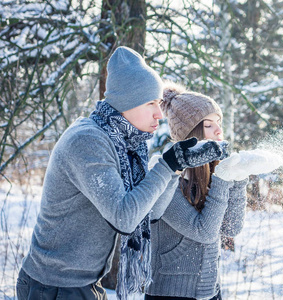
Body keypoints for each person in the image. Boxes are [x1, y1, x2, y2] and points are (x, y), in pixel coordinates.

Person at [16, 46, 228, 300]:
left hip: (84, 283)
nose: (159, 114)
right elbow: (124, 218)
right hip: (52, 286)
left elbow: (150, 212)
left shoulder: (128, 143)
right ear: (127, 102)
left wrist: (175, 167)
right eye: (151, 103)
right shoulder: (87, 141)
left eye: (159, 103)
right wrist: (166, 166)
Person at [145, 82, 283, 300]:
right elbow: (205, 232)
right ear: (190, 134)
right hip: (171, 293)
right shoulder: (165, 176)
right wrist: (223, 179)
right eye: (208, 125)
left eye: (219, 122)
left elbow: (231, 227)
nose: (219, 130)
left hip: (210, 290)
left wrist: (238, 177)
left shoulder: (211, 172)